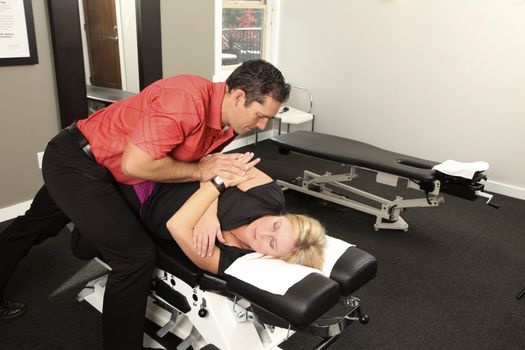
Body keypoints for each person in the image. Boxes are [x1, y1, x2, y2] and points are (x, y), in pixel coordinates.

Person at [0, 60, 290, 350]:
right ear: (239, 97)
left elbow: (209, 166)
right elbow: (137, 164)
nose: (263, 125)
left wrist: (209, 212)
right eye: (261, 116)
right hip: (77, 162)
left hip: (113, 177)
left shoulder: (230, 123)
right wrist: (200, 173)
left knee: (34, 226)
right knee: (134, 257)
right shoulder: (185, 100)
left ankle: (87, 234)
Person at [118, 158, 327, 275]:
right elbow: (212, 159)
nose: (262, 232)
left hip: (145, 196)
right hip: (178, 165)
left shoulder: (231, 260)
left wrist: (222, 183)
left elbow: (177, 225)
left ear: (274, 259)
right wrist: (208, 213)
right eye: (275, 226)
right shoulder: (270, 198)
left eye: (271, 244)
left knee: (100, 155)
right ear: (286, 217)